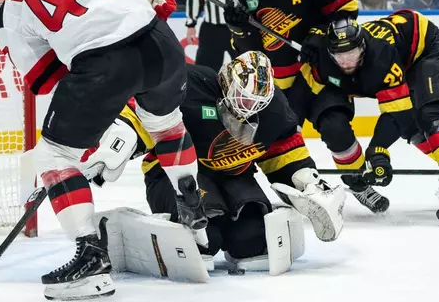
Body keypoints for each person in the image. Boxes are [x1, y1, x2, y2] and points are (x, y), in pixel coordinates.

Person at [0, 0, 205, 300]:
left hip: (104, 63)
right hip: (160, 40)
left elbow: (43, 79)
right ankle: (194, 210)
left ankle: (90, 259)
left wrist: (99, 108)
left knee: (53, 155)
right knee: (166, 125)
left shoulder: (11, 8)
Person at [122, 52, 345, 269]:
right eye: (244, 97)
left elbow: (282, 148)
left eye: (256, 102)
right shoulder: (191, 85)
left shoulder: (273, 107)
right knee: (205, 238)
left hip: (236, 174)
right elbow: (147, 109)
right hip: (178, 174)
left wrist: (305, 181)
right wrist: (122, 135)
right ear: (227, 81)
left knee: (251, 240)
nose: (248, 107)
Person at [223, 0, 387, 213]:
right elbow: (246, 52)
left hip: (316, 75)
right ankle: (294, 190)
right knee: (279, 145)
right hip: (277, 88)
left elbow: (347, 6)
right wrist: (238, 26)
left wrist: (318, 35)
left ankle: (359, 183)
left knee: (337, 128)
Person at [298, 13, 439, 225]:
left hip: (429, 50)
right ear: (329, 52)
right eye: (339, 55)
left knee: (430, 115)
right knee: (412, 128)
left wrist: (377, 149)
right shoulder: (323, 58)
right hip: (402, 57)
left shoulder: (381, 57)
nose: (346, 61)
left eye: (352, 52)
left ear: (363, 46)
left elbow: (397, 112)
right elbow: (300, 97)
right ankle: (358, 182)